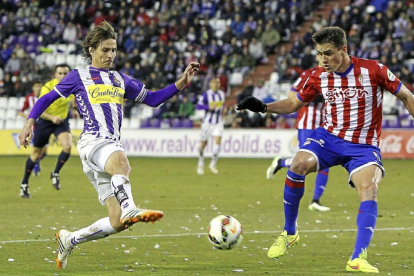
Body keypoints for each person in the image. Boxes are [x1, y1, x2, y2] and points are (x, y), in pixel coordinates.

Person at [18, 22, 200, 270]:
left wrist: (182, 83)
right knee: (122, 164)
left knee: (117, 222)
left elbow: (154, 99)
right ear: (92, 50)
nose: (110, 55)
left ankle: (70, 239)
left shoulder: (120, 79)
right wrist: (30, 122)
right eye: (105, 50)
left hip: (106, 147)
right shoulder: (78, 76)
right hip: (93, 141)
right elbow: (47, 98)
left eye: (113, 50)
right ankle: (131, 208)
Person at [237, 26, 414, 273]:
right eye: (320, 53)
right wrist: (263, 107)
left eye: (328, 53)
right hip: (328, 138)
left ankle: (357, 257)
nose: (323, 59)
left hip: (363, 146)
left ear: (344, 50)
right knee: (298, 163)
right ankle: (289, 232)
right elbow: (294, 103)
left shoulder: (373, 70)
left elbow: (407, 96)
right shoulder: (318, 76)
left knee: (369, 188)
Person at [266, 64, 331, 212]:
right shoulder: (308, 74)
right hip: (307, 122)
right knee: (306, 162)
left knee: (325, 162)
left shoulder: (336, 75)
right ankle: (282, 162)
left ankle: (316, 200)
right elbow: (291, 95)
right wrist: (312, 95)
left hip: (325, 124)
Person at [19, 64, 77, 198]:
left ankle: (55, 172)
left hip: (61, 122)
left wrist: (74, 109)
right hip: (45, 122)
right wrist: (52, 117)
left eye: (65, 74)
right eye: (60, 73)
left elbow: (74, 100)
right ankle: (24, 183)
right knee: (35, 154)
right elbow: (40, 109)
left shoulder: (72, 86)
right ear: (55, 75)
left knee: (67, 146)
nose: (62, 76)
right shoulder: (47, 88)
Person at [18, 80, 47, 177]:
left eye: (40, 86)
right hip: (34, 128)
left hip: (45, 125)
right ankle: (35, 166)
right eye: (37, 86)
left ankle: (37, 161)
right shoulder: (29, 98)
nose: (38, 88)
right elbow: (20, 111)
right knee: (36, 150)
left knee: (44, 151)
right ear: (33, 88)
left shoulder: (45, 96)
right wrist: (29, 118)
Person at [196, 77, 225, 175]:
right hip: (207, 123)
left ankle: (212, 163)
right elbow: (198, 106)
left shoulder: (222, 94)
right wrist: (208, 107)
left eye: (218, 83)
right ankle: (200, 163)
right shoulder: (206, 95)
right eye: (214, 83)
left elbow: (222, 106)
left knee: (218, 141)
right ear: (210, 84)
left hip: (218, 123)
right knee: (203, 144)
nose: (216, 84)